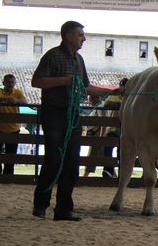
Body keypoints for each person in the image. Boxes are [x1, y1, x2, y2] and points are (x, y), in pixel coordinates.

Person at [31, 21, 109, 221]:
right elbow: (37, 81)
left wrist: (111, 92)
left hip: (73, 115)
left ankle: (64, 209)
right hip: (54, 113)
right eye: (80, 34)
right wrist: (65, 80)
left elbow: (86, 86)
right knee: (54, 160)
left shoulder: (79, 60)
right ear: (68, 36)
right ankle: (41, 203)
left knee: (72, 163)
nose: (84, 38)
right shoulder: (53, 56)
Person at [0, 73, 27, 175]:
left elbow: (25, 102)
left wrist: (16, 100)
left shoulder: (18, 92)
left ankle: (8, 176)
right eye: (9, 82)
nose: (11, 84)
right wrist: (4, 99)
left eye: (13, 82)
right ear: (3, 83)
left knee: (11, 155)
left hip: (14, 129)